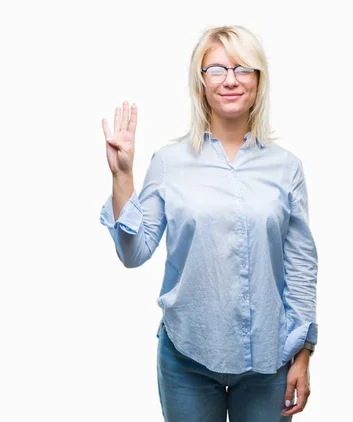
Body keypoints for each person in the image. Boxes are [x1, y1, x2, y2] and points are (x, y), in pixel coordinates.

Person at [99, 25, 318, 421]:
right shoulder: (169, 162)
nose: (230, 80)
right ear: (201, 83)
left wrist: (303, 353)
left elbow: (301, 267)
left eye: (242, 68)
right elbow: (133, 253)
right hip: (188, 358)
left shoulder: (286, 167)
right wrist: (122, 177)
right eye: (216, 69)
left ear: (258, 80)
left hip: (269, 361)